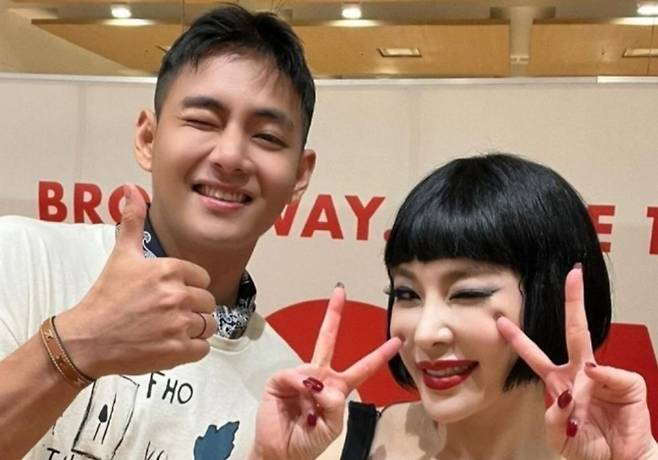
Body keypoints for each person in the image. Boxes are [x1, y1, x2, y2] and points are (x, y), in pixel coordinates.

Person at [0, 4, 388, 459]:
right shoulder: (23, 260)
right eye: (203, 121)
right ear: (148, 139)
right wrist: (77, 346)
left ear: (299, 176)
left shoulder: (286, 396)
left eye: (266, 137)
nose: (230, 156)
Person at [249, 153, 658, 460]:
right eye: (407, 294)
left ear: (549, 296)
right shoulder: (333, 446)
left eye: (467, 294)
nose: (425, 333)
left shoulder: (607, 455)